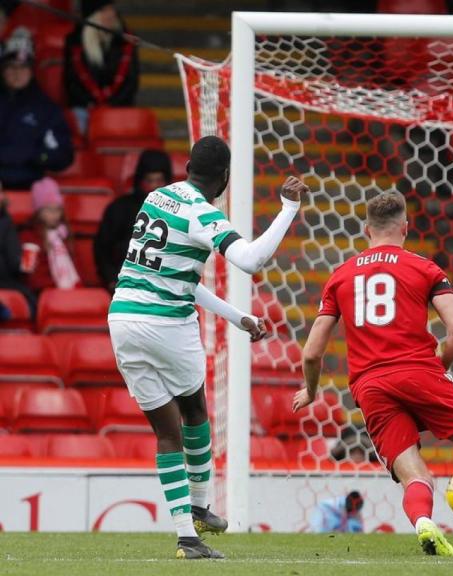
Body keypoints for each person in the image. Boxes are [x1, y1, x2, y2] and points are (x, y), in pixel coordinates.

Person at [296, 191, 453, 558]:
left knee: (415, 475)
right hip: (419, 369)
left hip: (371, 386)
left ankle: (425, 524)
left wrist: (312, 391)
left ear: (366, 229)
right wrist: (438, 368)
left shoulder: (340, 277)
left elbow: (312, 352)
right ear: (405, 228)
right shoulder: (425, 268)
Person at [107, 135, 306, 559]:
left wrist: (237, 317)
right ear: (225, 178)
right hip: (165, 324)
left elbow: (176, 277)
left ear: (186, 168)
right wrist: (289, 208)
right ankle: (199, 507)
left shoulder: (157, 198)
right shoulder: (204, 212)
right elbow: (251, 260)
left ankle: (187, 536)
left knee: (166, 431)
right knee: (195, 409)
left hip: (122, 318)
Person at [0, 28, 74, 189]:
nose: (17, 73)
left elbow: (63, 155)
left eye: (23, 67)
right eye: (11, 67)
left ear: (32, 71)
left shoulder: (46, 109)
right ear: (3, 70)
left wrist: (35, 156)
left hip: (31, 186)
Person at [94, 149, 172, 292]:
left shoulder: (178, 211)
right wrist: (111, 280)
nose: (154, 186)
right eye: (149, 181)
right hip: (126, 286)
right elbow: (102, 249)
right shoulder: (119, 209)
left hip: (166, 286)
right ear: (140, 181)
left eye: (159, 181)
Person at [63, 0, 140, 134]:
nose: (111, 14)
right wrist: (93, 105)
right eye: (104, 10)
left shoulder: (125, 42)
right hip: (85, 108)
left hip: (118, 108)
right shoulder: (74, 42)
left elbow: (131, 82)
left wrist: (110, 106)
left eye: (112, 9)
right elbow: (72, 82)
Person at [19, 178, 81, 292]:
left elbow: (75, 268)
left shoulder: (64, 234)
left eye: (57, 210)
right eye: (48, 210)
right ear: (39, 212)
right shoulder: (29, 236)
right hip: (42, 292)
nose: (54, 215)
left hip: (70, 291)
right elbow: (30, 276)